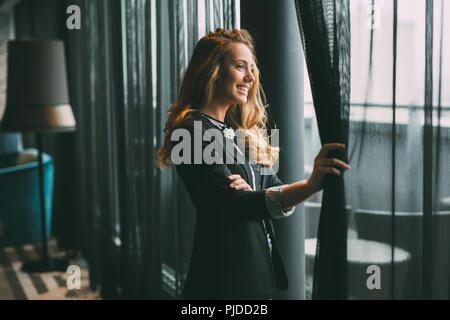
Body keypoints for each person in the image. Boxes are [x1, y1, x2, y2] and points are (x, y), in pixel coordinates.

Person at [156, 28, 350, 300]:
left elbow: (274, 191)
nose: (250, 77)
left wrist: (257, 195)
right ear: (213, 71)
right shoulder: (191, 131)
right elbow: (234, 203)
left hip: (255, 274)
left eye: (252, 69)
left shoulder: (238, 134)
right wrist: (309, 185)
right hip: (222, 282)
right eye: (240, 67)